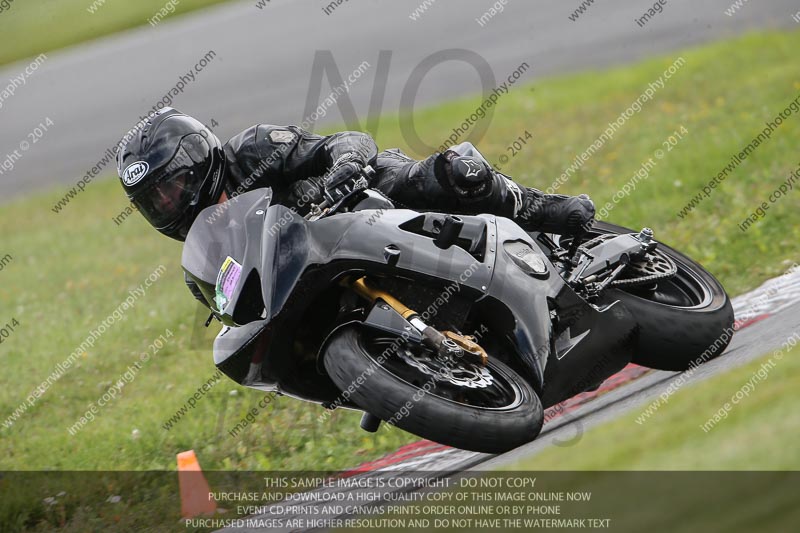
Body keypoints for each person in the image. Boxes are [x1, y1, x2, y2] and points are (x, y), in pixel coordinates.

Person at [117, 107, 594, 242]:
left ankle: (536, 206)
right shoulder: (203, 248)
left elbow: (345, 141)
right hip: (320, 261)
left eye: (171, 187)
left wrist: (345, 167)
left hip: (367, 199)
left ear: (197, 160)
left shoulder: (254, 149)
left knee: (451, 172)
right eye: (155, 202)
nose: (168, 204)